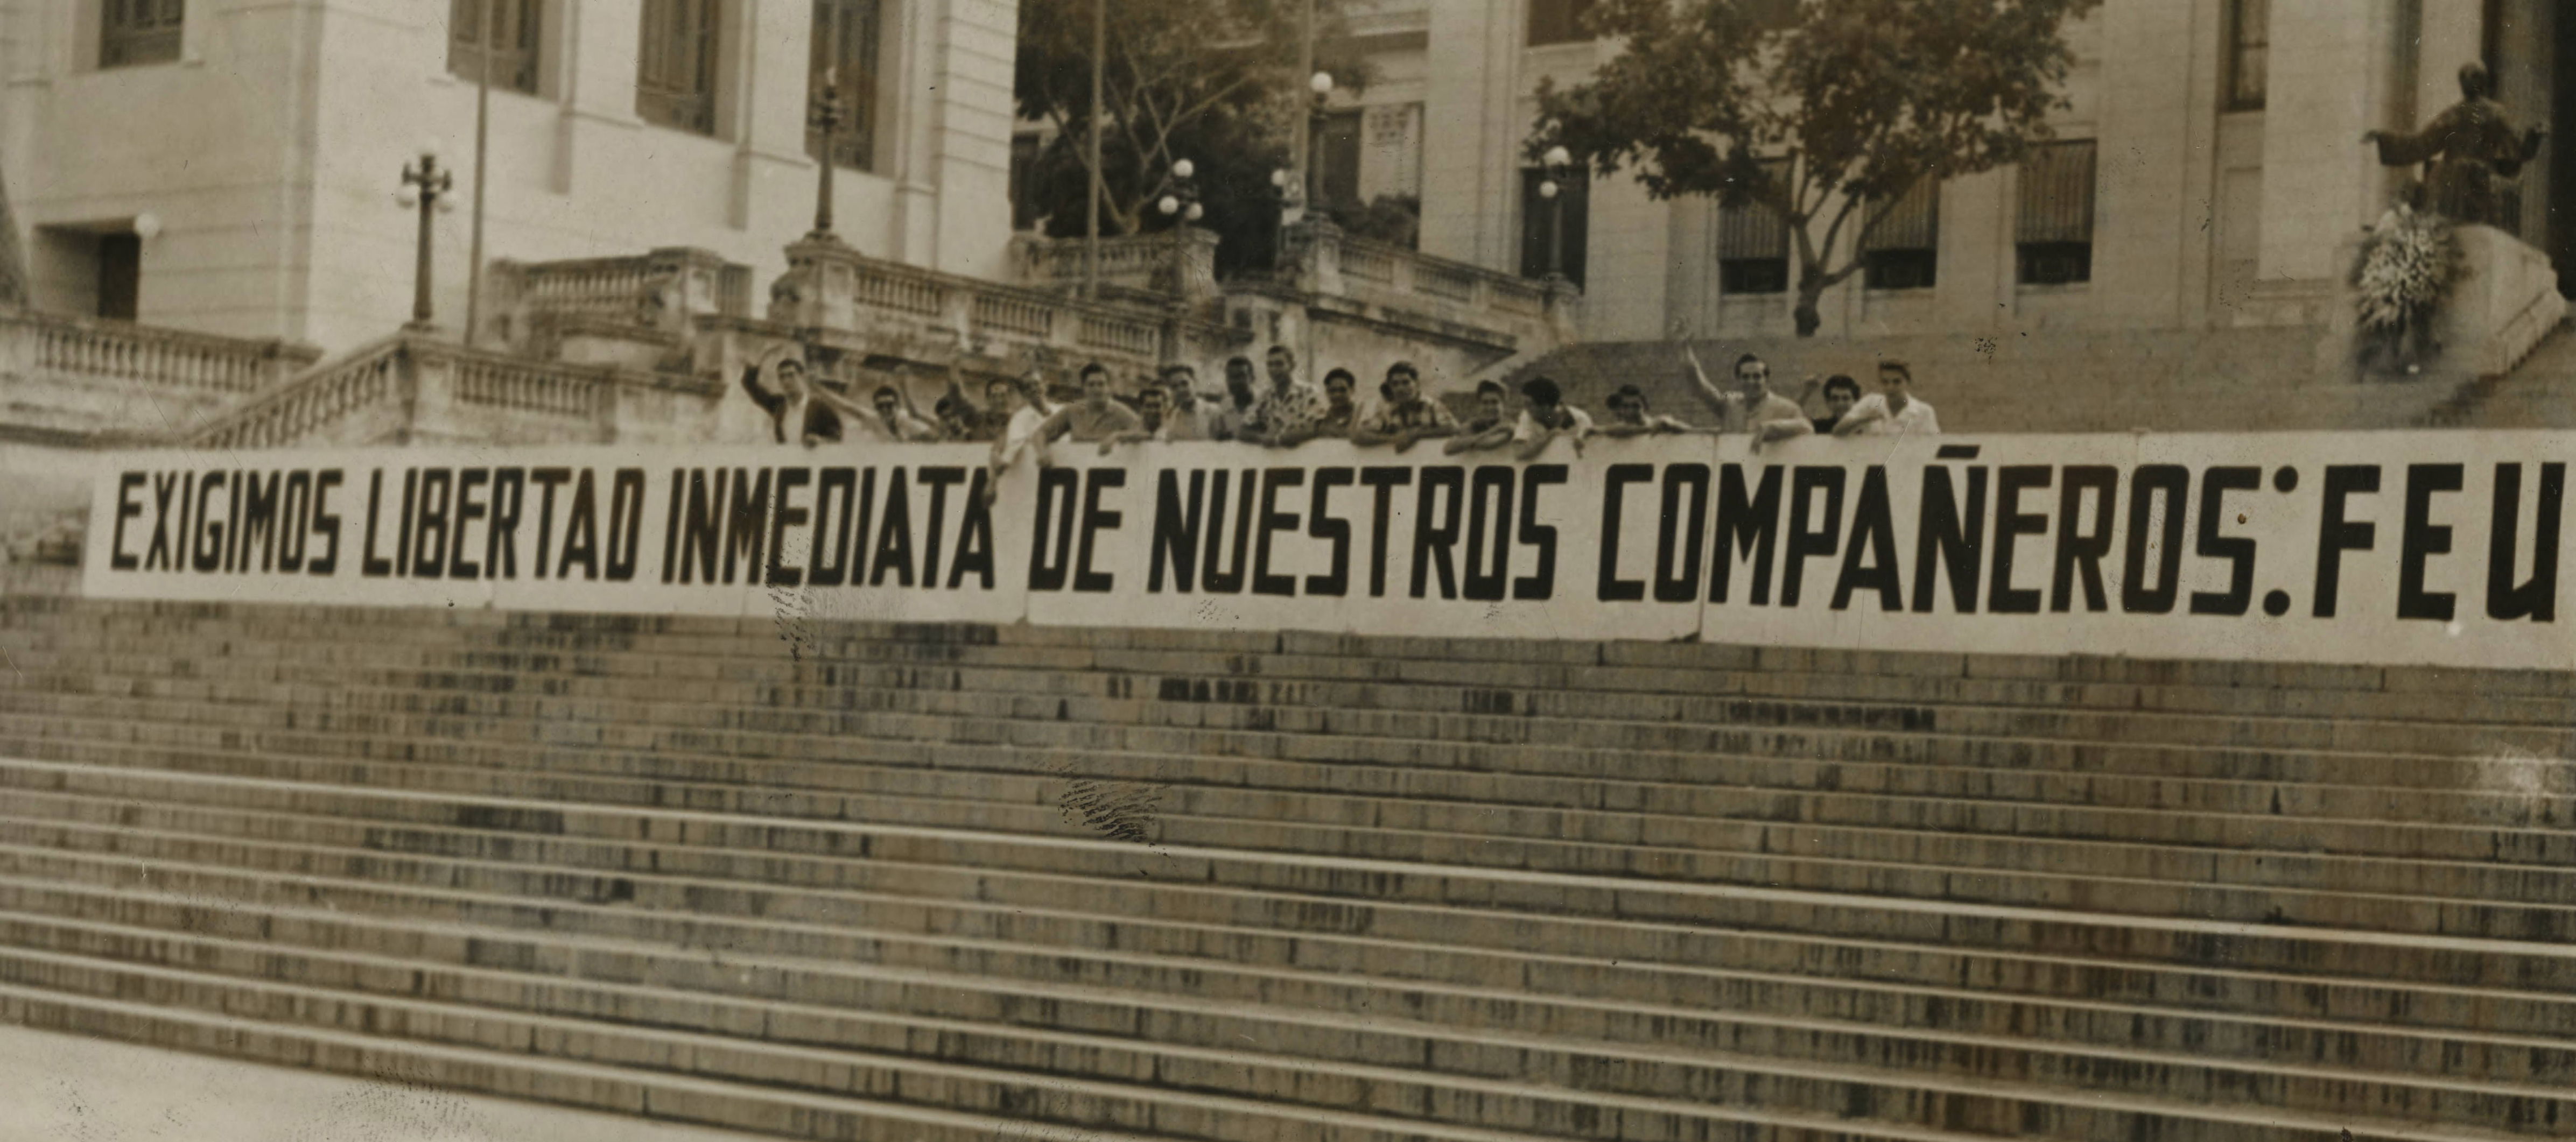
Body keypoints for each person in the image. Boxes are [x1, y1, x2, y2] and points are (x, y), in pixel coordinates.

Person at [1684, 347, 1812, 447]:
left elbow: (1807, 427)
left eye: (1757, 377)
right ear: (1738, 381)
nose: (1751, 382)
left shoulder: (1784, 407)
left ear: (1767, 381)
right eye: (1745, 377)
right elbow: (1702, 389)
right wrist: (1685, 348)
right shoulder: (1730, 403)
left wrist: (1772, 428)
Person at [1035, 361, 1147, 453]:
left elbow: (1145, 432)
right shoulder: (1072, 410)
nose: (1097, 389)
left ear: (1109, 388)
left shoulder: (1119, 411)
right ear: (1084, 388)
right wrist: (1042, 452)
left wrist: (1117, 436)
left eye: (1101, 384)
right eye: (1091, 385)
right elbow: (1041, 433)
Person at [741, 353, 844, 446]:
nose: (786, 381)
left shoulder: (819, 407)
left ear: (802, 377)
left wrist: (820, 441)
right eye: (782, 377)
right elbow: (752, 388)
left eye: (791, 375)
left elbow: (837, 436)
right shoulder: (779, 406)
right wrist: (755, 366)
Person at [1354, 361, 1459, 452]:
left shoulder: (1432, 406)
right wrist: (1393, 439)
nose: (1400, 388)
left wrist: (1416, 434)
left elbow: (1453, 428)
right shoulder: (1389, 411)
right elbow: (1359, 435)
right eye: (1395, 384)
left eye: (1406, 383)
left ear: (1417, 384)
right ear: (1390, 387)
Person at [1246, 345, 1329, 446]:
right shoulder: (1264, 396)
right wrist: (1262, 438)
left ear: (1292, 366)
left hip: (1304, 458)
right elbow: (1243, 430)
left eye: (1279, 364)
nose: (1274, 369)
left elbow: (1317, 427)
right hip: (1271, 459)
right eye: (1270, 365)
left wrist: (1283, 438)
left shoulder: (1308, 392)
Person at [1835, 358, 1941, 436]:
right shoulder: (1870, 403)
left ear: (1908, 382)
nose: (1890, 387)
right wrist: (1865, 419)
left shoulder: (1924, 411)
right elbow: (1837, 432)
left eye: (1897, 382)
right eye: (1885, 382)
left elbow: (1933, 446)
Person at [1511, 376, 1592, 460]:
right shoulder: (1527, 416)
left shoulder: (1580, 419)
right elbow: (1519, 452)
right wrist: (1550, 434)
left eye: (1529, 404)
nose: (1525, 408)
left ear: (1546, 407)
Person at [1444, 379, 1517, 454]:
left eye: (1495, 402)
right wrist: (1495, 430)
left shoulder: (1509, 426)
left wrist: (1466, 441)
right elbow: (1448, 448)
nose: (1490, 407)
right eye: (1485, 403)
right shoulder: (1475, 424)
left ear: (1504, 404)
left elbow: (1488, 444)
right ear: (1479, 405)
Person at [1592, 384, 1693, 437]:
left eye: (1636, 406)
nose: (1631, 411)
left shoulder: (1659, 421)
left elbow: (1691, 431)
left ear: (1645, 406)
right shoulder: (1619, 428)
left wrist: (1670, 425)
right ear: (1621, 410)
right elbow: (1591, 429)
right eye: (1626, 407)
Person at [1158, 365, 1227, 441]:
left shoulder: (1214, 413)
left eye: (1185, 384)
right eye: (1175, 387)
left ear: (1195, 383)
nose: (1181, 390)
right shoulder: (1171, 418)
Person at [1798, 374, 1862, 434]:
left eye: (1846, 398)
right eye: (1835, 399)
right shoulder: (1820, 427)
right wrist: (1806, 393)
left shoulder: (1866, 428)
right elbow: (1793, 419)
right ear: (1828, 402)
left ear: (1856, 401)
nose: (1840, 404)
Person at [1310, 368, 1361, 439]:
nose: (1337, 395)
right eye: (1333, 391)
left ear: (1352, 390)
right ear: (1327, 392)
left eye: (1343, 390)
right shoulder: (1320, 420)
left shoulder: (1361, 417)